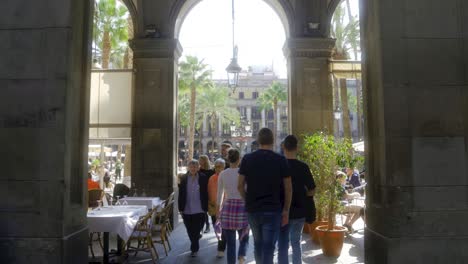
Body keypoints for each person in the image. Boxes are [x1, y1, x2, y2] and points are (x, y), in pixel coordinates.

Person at [238, 128, 292, 264]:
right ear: (273, 141)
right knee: (269, 247)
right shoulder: (280, 159)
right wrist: (286, 209)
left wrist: (247, 200)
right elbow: (288, 188)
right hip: (273, 210)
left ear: (258, 140)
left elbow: (239, 185)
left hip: (253, 209)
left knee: (258, 244)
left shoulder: (247, 158)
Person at [277, 135, 316, 264]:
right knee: (296, 242)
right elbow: (312, 189)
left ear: (283, 147)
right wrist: (304, 196)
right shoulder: (303, 167)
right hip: (299, 211)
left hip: (282, 211)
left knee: (283, 244)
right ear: (297, 148)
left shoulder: (279, 166)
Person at [217, 149, 249, 264]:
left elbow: (219, 194)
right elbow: (247, 190)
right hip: (242, 207)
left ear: (228, 160)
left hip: (227, 208)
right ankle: (241, 256)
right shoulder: (244, 173)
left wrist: (218, 211)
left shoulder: (222, 174)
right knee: (244, 236)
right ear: (239, 159)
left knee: (230, 244)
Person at [178, 159, 209, 257]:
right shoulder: (183, 178)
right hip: (186, 208)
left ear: (198, 167)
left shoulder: (203, 177)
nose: (193, 168)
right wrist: (180, 208)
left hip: (200, 208)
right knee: (189, 229)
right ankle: (195, 243)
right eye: (191, 166)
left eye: (195, 166)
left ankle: (194, 247)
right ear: (188, 167)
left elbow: (206, 192)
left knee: (197, 228)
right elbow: (181, 193)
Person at [208, 158, 227, 258]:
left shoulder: (227, 177)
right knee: (217, 228)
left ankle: (221, 248)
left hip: (225, 208)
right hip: (213, 207)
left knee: (222, 229)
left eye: (220, 166)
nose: (218, 168)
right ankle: (222, 242)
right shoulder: (211, 178)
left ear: (224, 167)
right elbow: (209, 193)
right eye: (216, 166)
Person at [199, 155, 215, 233]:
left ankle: (212, 225)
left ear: (205, 161)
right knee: (203, 211)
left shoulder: (211, 171)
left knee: (211, 211)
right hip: (202, 193)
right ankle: (205, 225)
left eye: (201, 160)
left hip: (210, 192)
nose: (199, 162)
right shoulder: (198, 171)